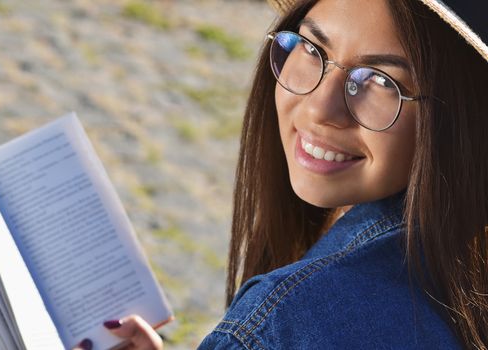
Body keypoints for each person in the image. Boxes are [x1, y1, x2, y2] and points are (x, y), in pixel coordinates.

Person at [75, 0, 488, 348]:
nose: (319, 108)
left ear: (465, 116)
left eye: (381, 80)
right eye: (312, 49)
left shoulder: (289, 318)